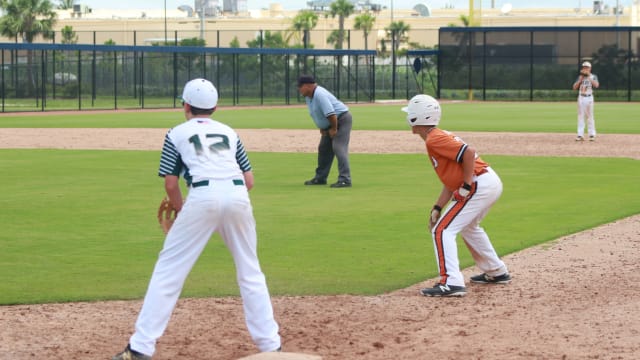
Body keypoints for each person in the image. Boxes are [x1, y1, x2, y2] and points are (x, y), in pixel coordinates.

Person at [112, 78, 281, 360]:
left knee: (169, 271)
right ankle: (271, 345)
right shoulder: (229, 132)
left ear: (186, 105)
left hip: (201, 196)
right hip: (238, 196)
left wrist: (181, 210)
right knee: (250, 271)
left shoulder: (176, 132)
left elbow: (170, 184)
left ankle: (141, 348)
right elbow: (249, 180)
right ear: (215, 107)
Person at [401, 94, 511, 297]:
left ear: (418, 118)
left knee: (442, 231)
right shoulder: (435, 137)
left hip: (479, 183)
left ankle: (451, 282)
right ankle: (496, 271)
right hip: (487, 181)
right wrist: (437, 207)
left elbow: (468, 152)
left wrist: (467, 185)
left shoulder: (434, 138)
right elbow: (451, 180)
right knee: (468, 227)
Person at [297, 75, 353, 188]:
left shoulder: (319, 94)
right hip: (330, 123)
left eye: (300, 86)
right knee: (323, 148)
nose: (299, 89)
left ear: (308, 86)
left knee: (338, 147)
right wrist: (322, 127)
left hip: (341, 119)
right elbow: (317, 112)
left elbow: (331, 113)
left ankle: (345, 179)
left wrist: (333, 128)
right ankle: (320, 178)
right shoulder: (308, 96)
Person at [572, 61, 599, 141]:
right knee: (581, 116)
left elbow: (596, 85)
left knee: (590, 116)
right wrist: (580, 80)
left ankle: (592, 135)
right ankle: (580, 135)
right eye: (584, 67)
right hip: (581, 97)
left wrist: (589, 78)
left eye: (587, 67)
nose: (585, 68)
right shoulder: (580, 77)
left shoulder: (593, 76)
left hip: (589, 97)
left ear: (590, 68)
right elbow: (574, 87)